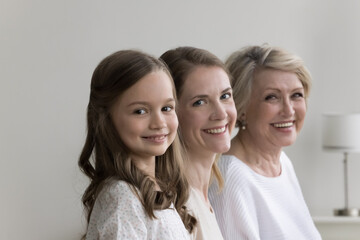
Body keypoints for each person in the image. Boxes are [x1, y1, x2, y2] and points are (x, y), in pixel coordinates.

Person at [78, 50, 196, 240]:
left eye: (166, 108)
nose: (159, 123)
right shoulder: (122, 196)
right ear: (106, 118)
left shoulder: (152, 189)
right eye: (140, 111)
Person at [208, 45, 322, 240]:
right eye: (272, 97)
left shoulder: (282, 163)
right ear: (241, 107)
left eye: (296, 95)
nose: (289, 110)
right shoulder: (230, 178)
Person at [160, 46, 237, 240]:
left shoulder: (203, 197)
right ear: (171, 114)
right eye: (200, 102)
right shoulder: (174, 207)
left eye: (225, 96)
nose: (221, 113)